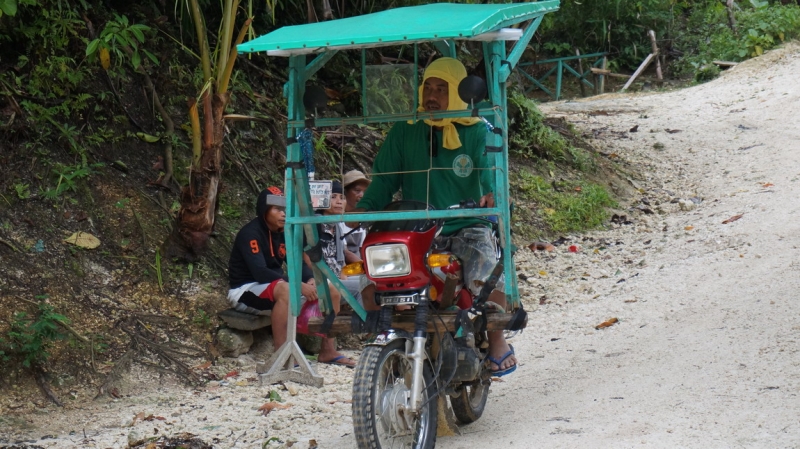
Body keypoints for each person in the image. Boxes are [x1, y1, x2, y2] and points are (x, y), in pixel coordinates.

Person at [354, 57, 518, 376]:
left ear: (458, 92)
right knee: (379, 279)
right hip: (418, 228)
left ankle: (498, 340)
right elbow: (386, 179)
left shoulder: (477, 129)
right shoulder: (405, 129)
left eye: (441, 88)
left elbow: (490, 169)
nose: (432, 95)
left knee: (486, 272)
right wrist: (364, 209)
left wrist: (491, 193)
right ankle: (392, 340)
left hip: (467, 224)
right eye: (427, 87)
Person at [228, 186, 355, 367]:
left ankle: (328, 350)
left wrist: (310, 278)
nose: (283, 214)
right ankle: (282, 355)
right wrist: (298, 284)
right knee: (287, 290)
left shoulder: (285, 233)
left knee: (330, 288)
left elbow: (298, 263)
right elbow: (260, 272)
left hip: (276, 287)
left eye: (286, 210)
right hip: (245, 291)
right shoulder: (250, 233)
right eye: (277, 209)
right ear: (264, 211)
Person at [315, 180, 364, 309]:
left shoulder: (337, 226)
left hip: (340, 273)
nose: (339, 201)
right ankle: (362, 324)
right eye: (333, 197)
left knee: (373, 279)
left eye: (342, 198)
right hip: (322, 277)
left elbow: (341, 256)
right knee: (365, 285)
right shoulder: (314, 225)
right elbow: (309, 258)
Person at [339, 170, 371, 264]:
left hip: (358, 266)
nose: (362, 195)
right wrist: (365, 267)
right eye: (357, 191)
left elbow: (362, 248)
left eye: (365, 192)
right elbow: (344, 252)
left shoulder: (361, 217)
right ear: (345, 192)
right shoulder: (338, 218)